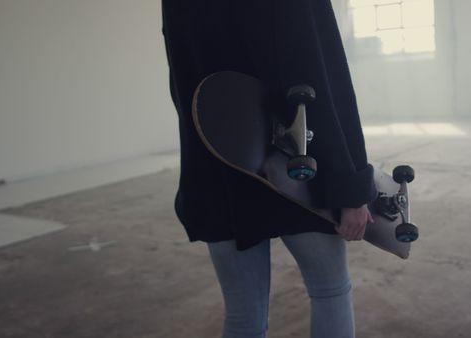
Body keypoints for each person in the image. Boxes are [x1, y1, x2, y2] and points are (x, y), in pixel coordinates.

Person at [161, 1, 377, 337]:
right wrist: (350, 186)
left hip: (218, 174)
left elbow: (184, 86)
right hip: (299, 169)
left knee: (244, 314)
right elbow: (320, 74)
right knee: (330, 291)